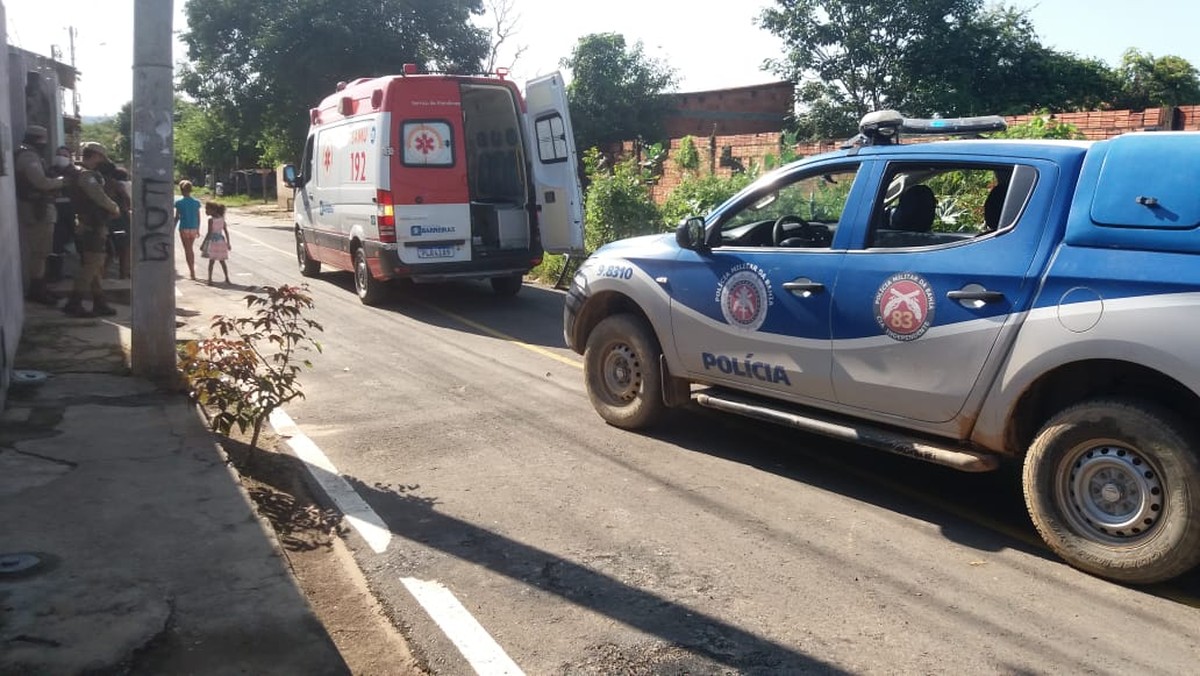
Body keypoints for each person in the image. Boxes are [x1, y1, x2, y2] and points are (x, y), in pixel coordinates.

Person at [63, 142, 121, 317]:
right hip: (92, 226)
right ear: (95, 156)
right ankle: (74, 302)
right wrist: (115, 208)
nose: (102, 161)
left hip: (88, 224)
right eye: (101, 157)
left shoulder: (79, 172)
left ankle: (99, 301)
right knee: (91, 265)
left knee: (94, 266)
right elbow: (100, 198)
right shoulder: (87, 176)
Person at [14, 125, 66, 305]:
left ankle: (40, 287)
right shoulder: (29, 156)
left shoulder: (29, 154)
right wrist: (61, 181)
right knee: (39, 252)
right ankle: (37, 290)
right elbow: (41, 182)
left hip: (38, 208)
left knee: (41, 252)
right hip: (36, 210)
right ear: (38, 139)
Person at [47, 146, 78, 283]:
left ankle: (75, 273)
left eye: (64, 155)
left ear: (70, 158)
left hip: (72, 213)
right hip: (56, 213)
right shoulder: (49, 172)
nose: (61, 157)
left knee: (75, 243)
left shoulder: (75, 173)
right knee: (56, 245)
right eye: (59, 154)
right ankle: (56, 274)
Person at [99, 161, 132, 279]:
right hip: (119, 220)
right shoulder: (115, 184)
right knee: (124, 248)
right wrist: (126, 209)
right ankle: (123, 273)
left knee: (107, 250)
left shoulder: (98, 184)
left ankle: (102, 274)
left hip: (103, 219)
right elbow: (127, 199)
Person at [174, 180, 203, 279]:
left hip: (184, 228)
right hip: (194, 227)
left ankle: (192, 271)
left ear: (182, 190)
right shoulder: (196, 202)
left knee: (188, 250)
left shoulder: (179, 202)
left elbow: (177, 217)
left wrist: (173, 228)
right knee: (190, 249)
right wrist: (198, 229)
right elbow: (198, 217)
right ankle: (192, 271)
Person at [204, 201, 232, 284]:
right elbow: (226, 231)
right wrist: (228, 243)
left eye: (207, 209)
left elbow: (209, 233)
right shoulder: (222, 219)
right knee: (222, 261)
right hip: (221, 241)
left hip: (213, 242)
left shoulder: (211, 220)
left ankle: (209, 279)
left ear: (213, 210)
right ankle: (227, 278)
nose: (206, 211)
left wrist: (204, 243)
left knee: (211, 262)